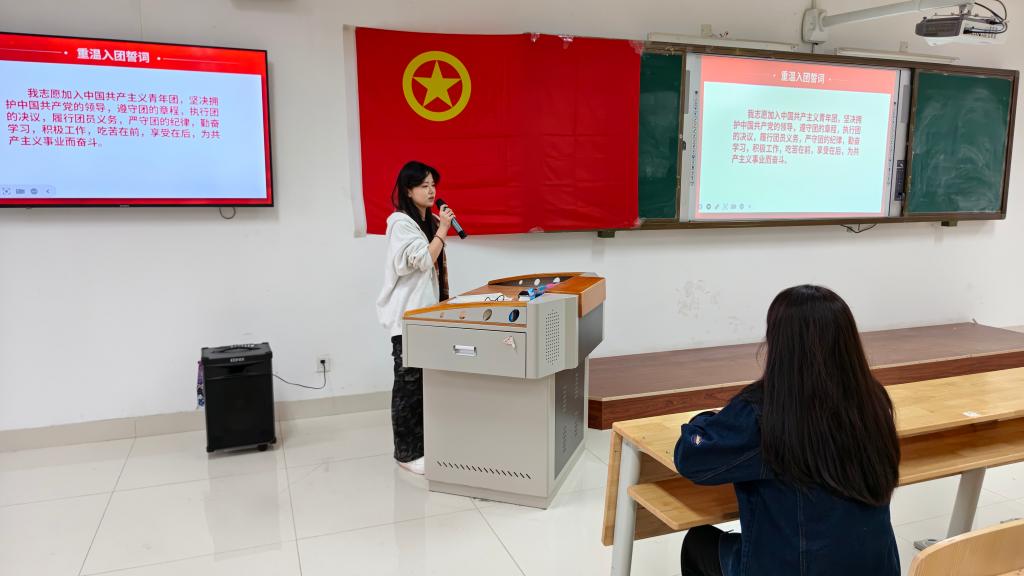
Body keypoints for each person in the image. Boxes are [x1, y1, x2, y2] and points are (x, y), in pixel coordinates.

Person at [674, 285, 901, 576]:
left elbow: (690, 457)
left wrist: (705, 419)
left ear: (778, 343)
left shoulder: (765, 412)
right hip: (877, 568)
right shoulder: (873, 400)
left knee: (697, 543)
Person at [376, 161, 455, 475]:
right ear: (408, 190)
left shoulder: (428, 222)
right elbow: (421, 260)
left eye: (433, 184)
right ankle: (406, 454)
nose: (431, 190)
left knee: (424, 385)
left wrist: (439, 229)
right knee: (408, 387)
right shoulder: (401, 223)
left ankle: (422, 445)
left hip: (427, 317)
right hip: (408, 319)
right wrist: (444, 230)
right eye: (424, 185)